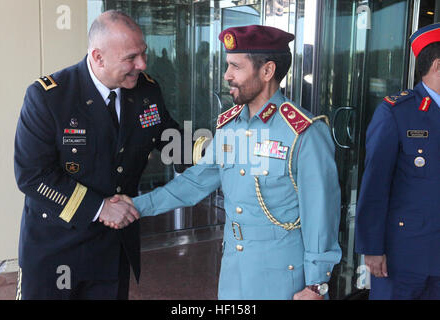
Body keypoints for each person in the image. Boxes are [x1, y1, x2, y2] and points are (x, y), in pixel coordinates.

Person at [113, 25, 342, 300]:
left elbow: (321, 214)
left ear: (267, 71)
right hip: (234, 268)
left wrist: (316, 284)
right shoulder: (230, 126)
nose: (227, 76)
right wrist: (135, 205)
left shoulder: (304, 133)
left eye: (236, 67)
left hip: (286, 277)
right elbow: (195, 182)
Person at [13, 10, 181, 299]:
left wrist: (218, 152)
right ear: (98, 57)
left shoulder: (146, 91)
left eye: (143, 53)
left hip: (113, 248)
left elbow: (170, 140)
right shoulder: (49, 97)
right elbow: (32, 176)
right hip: (56, 247)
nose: (141, 64)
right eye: (130, 58)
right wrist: (99, 207)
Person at [355, 22, 440, 300]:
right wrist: (372, 248)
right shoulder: (396, 113)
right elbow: (375, 184)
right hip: (403, 257)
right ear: (438, 65)